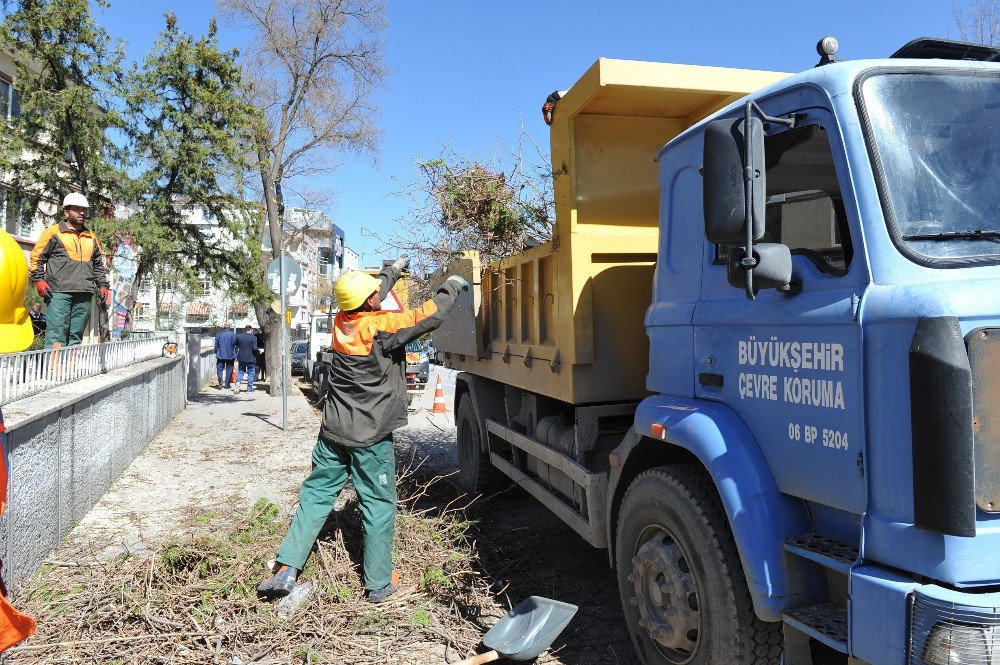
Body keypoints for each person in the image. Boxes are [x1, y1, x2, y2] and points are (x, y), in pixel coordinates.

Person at [257, 257, 468, 604]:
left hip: (332, 431)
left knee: (315, 496)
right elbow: (429, 314)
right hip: (369, 436)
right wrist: (453, 285)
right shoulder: (383, 328)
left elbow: (371, 294)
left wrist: (392, 270)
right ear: (369, 302)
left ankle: (287, 569)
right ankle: (379, 583)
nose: (379, 296)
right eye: (375, 295)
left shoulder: (342, 320)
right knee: (378, 504)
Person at [29, 192, 109, 348]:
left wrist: (102, 285)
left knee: (76, 335)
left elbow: (98, 264)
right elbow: (37, 257)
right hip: (59, 292)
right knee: (56, 333)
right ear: (66, 211)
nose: (81, 213)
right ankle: (54, 371)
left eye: (84, 210)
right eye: (77, 209)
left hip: (84, 292)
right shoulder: (53, 233)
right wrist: (39, 280)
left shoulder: (91, 237)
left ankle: (70, 370)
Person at [234, 325, 258, 394]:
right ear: (251, 330)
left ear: (245, 330)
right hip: (250, 358)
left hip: (241, 357)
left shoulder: (239, 336)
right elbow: (254, 348)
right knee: (251, 373)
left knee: (241, 371)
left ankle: (238, 382)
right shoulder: (253, 338)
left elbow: (236, 345)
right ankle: (249, 389)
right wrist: (258, 351)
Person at [214, 322, 238, 389]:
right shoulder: (234, 335)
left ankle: (220, 380)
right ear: (230, 327)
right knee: (229, 369)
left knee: (219, 368)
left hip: (220, 354)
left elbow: (216, 345)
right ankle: (227, 384)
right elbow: (235, 346)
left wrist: (216, 352)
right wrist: (235, 353)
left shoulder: (219, 334)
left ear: (223, 327)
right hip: (230, 355)